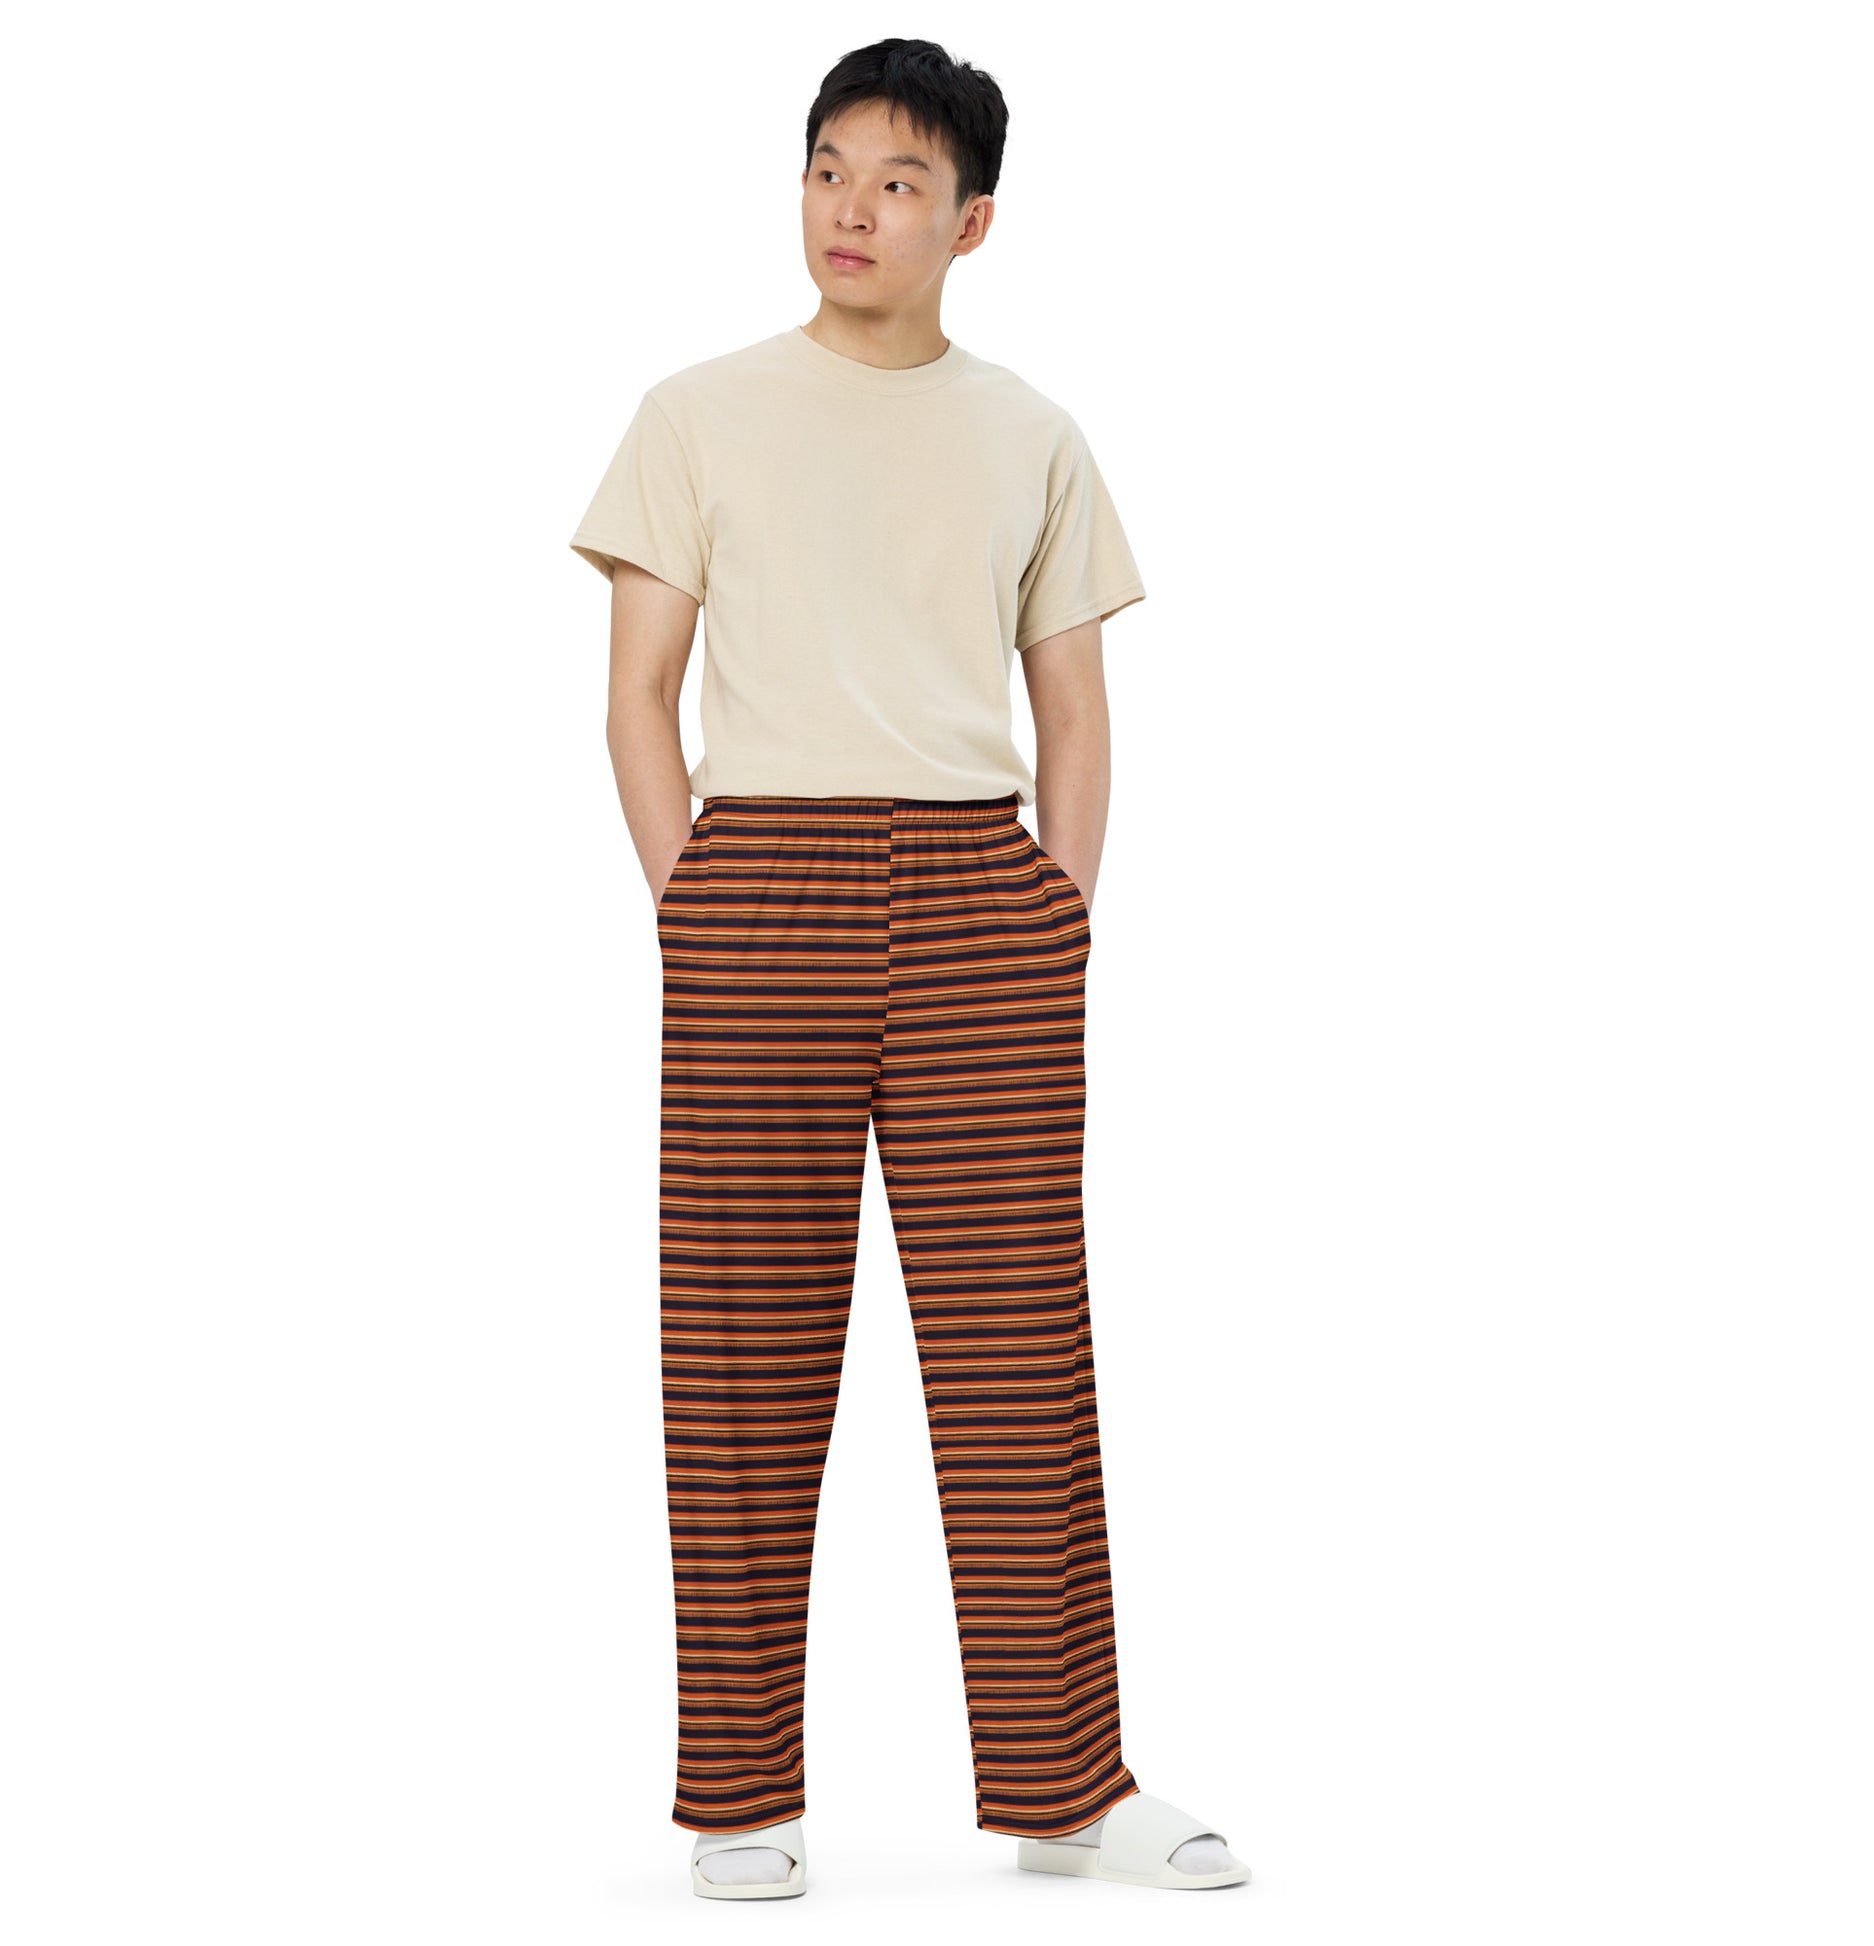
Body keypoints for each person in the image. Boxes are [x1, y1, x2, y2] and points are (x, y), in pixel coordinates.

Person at [567, 38, 1250, 1901]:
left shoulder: (1030, 432)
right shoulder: (695, 412)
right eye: (826, 169)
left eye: (895, 181)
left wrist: (1056, 917)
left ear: (973, 221)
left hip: (978, 894)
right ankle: (736, 1798)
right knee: (739, 1349)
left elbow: (1073, 705)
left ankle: (1068, 1788)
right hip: (757, 884)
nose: (850, 209)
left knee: (1018, 1353)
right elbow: (636, 695)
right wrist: (694, 905)